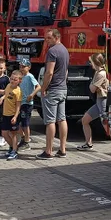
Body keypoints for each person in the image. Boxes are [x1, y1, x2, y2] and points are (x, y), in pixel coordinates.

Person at [38, 28, 69, 159]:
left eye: (49, 38)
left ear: (57, 37)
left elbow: (49, 72)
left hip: (53, 89)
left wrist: (43, 88)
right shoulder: (65, 50)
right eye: (46, 38)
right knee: (62, 119)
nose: (46, 41)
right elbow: (66, 70)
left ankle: (48, 151)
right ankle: (62, 149)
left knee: (50, 121)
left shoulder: (52, 51)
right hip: (63, 88)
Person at [79, 53, 111, 154]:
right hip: (98, 101)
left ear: (96, 62)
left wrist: (91, 84)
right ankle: (88, 143)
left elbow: (92, 89)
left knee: (108, 126)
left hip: (103, 101)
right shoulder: (97, 72)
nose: (90, 64)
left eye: (91, 61)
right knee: (85, 120)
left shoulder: (101, 74)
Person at [17, 58, 40, 150]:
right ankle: (23, 137)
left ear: (29, 67)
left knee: (25, 123)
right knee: (16, 122)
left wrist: (32, 95)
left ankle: (27, 141)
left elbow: (38, 87)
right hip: (20, 102)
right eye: (20, 66)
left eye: (24, 67)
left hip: (27, 103)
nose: (22, 68)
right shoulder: (20, 77)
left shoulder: (30, 76)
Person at [1, 70, 24, 160]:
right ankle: (13, 147)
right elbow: (4, 93)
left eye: (15, 80)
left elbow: (18, 106)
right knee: (4, 133)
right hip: (5, 114)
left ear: (19, 81)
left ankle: (14, 151)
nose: (12, 81)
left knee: (13, 134)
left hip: (13, 115)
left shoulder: (18, 91)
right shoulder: (8, 86)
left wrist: (15, 116)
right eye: (11, 79)